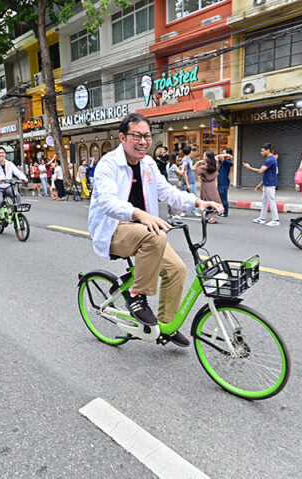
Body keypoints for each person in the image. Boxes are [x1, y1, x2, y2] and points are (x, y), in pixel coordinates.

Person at [88, 113, 223, 347]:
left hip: (145, 229)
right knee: (154, 237)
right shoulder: (108, 164)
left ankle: (166, 327)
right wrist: (140, 214)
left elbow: (167, 192)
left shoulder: (148, 164)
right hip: (115, 228)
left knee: (177, 269)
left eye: (147, 136)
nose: (143, 141)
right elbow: (107, 202)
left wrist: (197, 203)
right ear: (122, 137)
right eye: (137, 136)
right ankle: (136, 295)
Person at [0, 146, 27, 227]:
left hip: (8, 186)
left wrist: (24, 178)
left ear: (5, 154)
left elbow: (17, 172)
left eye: (2, 153)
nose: (1, 154)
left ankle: (17, 213)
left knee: (17, 195)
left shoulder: (9, 164)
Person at [243, 143, 280, 226]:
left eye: (262, 151)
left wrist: (249, 167)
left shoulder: (270, 160)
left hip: (270, 183)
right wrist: (260, 184)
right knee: (265, 201)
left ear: (268, 150)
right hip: (267, 183)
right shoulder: (271, 159)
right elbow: (267, 173)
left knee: (271, 201)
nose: (261, 153)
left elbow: (260, 171)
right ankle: (262, 218)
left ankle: (276, 220)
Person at [193, 150, 221, 223]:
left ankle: (206, 217)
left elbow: (193, 169)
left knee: (205, 200)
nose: (203, 156)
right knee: (213, 200)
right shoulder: (214, 166)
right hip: (213, 185)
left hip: (205, 185)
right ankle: (212, 218)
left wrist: (197, 163)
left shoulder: (204, 167)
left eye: (204, 155)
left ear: (206, 157)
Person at [179, 146, 200, 216]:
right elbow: (184, 173)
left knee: (194, 196)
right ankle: (183, 211)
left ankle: (194, 210)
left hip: (192, 181)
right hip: (187, 182)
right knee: (186, 197)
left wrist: (197, 163)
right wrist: (187, 184)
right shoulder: (184, 160)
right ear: (189, 152)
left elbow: (191, 168)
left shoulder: (189, 159)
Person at [215, 148, 233, 217]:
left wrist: (227, 155)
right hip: (220, 181)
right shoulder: (222, 161)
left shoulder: (228, 161)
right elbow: (216, 157)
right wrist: (226, 154)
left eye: (224, 153)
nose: (222, 154)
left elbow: (220, 156)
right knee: (220, 198)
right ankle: (221, 211)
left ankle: (225, 212)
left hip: (224, 182)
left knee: (224, 198)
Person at [166, 155, 184, 219]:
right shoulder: (173, 165)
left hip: (169, 180)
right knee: (174, 197)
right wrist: (183, 166)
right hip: (174, 181)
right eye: (177, 157)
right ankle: (174, 214)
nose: (178, 158)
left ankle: (169, 213)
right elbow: (181, 173)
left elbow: (173, 171)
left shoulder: (168, 164)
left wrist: (178, 167)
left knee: (169, 197)